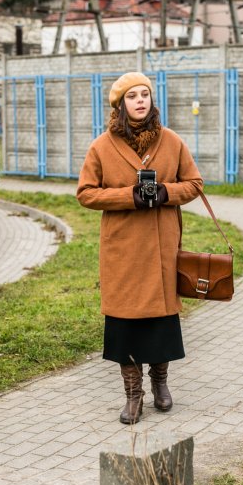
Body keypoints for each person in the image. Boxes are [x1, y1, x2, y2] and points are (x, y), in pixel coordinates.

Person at [76, 72, 203, 424]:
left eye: (145, 94)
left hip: (162, 247)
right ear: (120, 105)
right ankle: (133, 395)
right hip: (123, 251)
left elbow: (194, 183)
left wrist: (166, 193)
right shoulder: (102, 146)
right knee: (125, 326)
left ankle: (160, 382)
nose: (140, 101)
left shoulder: (171, 141)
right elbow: (86, 193)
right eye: (132, 96)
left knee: (161, 322)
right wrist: (129, 196)